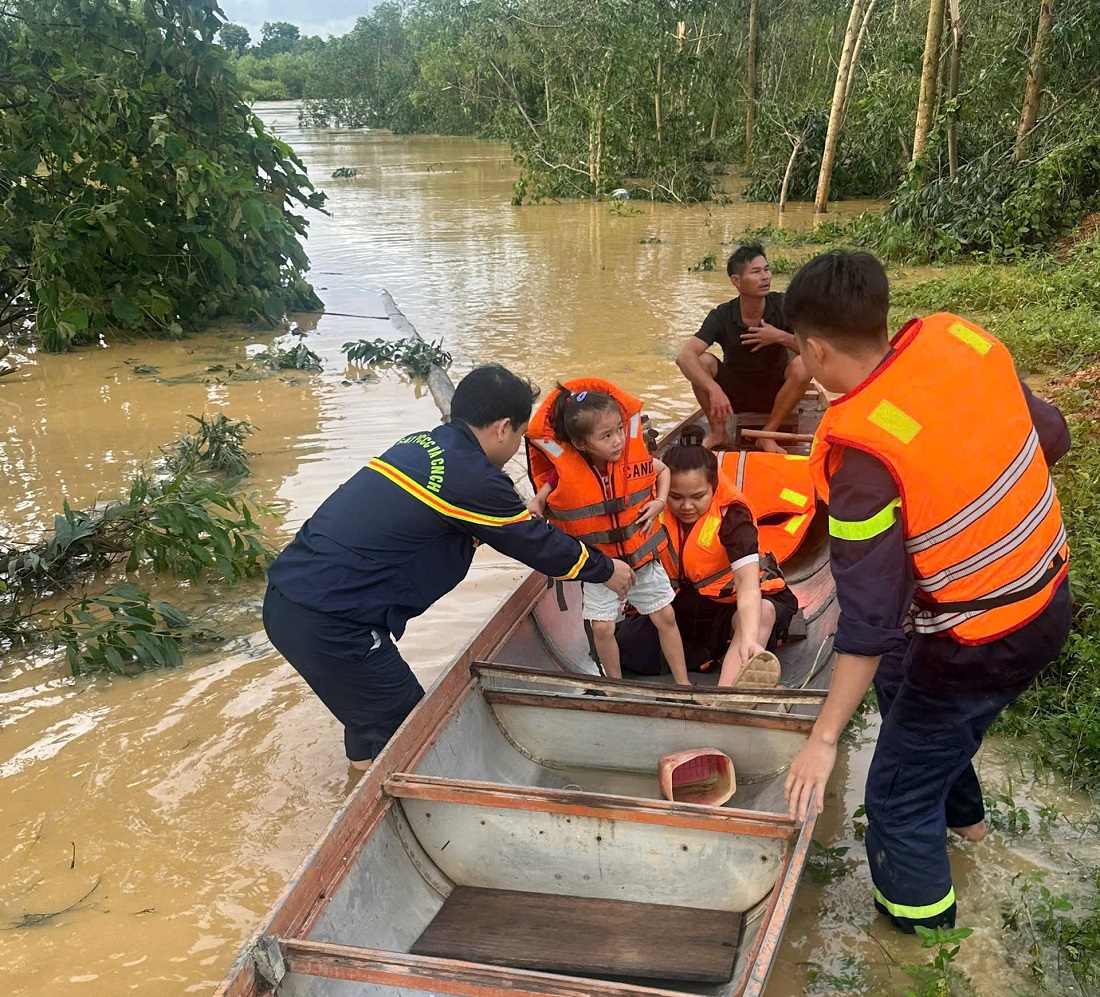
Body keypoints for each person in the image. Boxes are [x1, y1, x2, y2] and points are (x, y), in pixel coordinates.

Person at [781, 251, 1072, 934]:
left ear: (814, 350)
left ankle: (928, 947)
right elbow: (1051, 435)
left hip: (977, 642)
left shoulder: (862, 460)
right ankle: (969, 830)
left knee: (893, 798)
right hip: (1045, 596)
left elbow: (869, 622)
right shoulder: (958, 344)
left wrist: (824, 738)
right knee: (904, 694)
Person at [263, 364, 634, 768]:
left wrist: (509, 518)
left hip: (288, 599)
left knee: (369, 719)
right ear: (503, 428)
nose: (516, 447)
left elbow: (441, 524)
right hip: (333, 624)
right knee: (415, 738)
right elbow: (538, 546)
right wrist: (606, 569)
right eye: (519, 437)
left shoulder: (420, 444)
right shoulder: (474, 478)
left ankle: (359, 775)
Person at [526, 378, 689, 684]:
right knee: (602, 628)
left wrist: (660, 502)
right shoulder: (566, 468)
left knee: (665, 616)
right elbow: (549, 487)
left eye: (619, 430)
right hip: (601, 566)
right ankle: (616, 686)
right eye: (606, 436)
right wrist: (537, 501)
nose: (618, 441)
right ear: (581, 444)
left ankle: (684, 683)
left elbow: (663, 470)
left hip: (641, 559)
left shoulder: (632, 459)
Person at [656, 428, 799, 683]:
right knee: (630, 647)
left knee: (763, 613)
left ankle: (728, 690)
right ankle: (708, 657)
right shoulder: (652, 505)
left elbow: (747, 585)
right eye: (675, 497)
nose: (686, 506)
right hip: (680, 607)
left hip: (732, 606)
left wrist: (750, 638)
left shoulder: (733, 517)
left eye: (698, 497)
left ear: (713, 487)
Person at [676, 242, 812, 452]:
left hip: (777, 392)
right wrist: (714, 389)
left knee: (803, 364)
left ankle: (767, 435)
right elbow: (684, 357)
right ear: (736, 281)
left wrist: (779, 337)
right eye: (756, 272)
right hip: (733, 394)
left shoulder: (782, 305)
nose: (765, 277)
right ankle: (718, 431)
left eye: (767, 270)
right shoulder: (722, 315)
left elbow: (817, 351)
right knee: (702, 361)